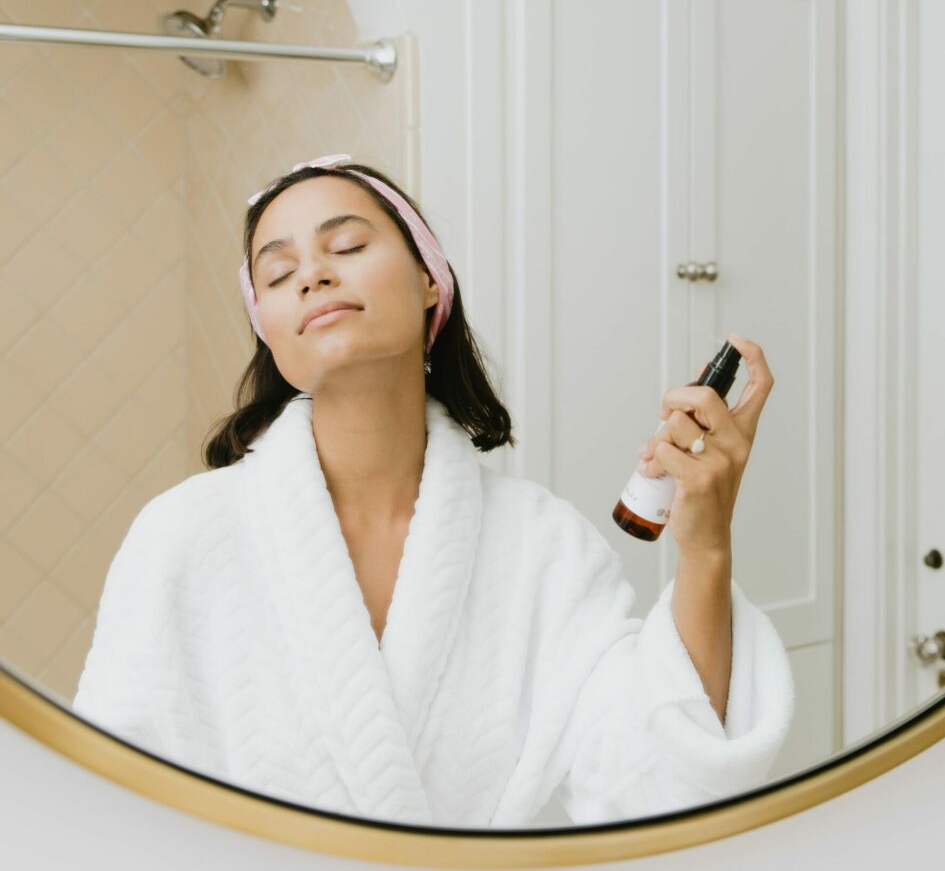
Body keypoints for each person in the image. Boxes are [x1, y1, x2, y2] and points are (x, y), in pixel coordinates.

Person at [72, 153, 794, 828]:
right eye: (278, 270)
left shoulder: (543, 547)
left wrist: (705, 547)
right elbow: (107, 813)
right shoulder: (181, 537)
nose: (313, 275)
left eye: (347, 247)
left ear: (430, 281)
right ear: (267, 330)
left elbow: (656, 784)